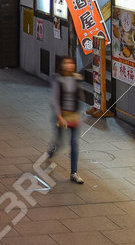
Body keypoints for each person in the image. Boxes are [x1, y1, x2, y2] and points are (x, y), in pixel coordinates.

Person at [38, 55, 85, 185]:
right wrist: (60, 117)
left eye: (71, 63)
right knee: (59, 142)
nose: (69, 65)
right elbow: (54, 100)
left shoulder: (77, 78)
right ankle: (50, 153)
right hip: (62, 116)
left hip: (73, 116)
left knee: (74, 143)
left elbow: (79, 97)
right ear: (61, 65)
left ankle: (74, 172)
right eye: (66, 63)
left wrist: (78, 114)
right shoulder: (58, 80)